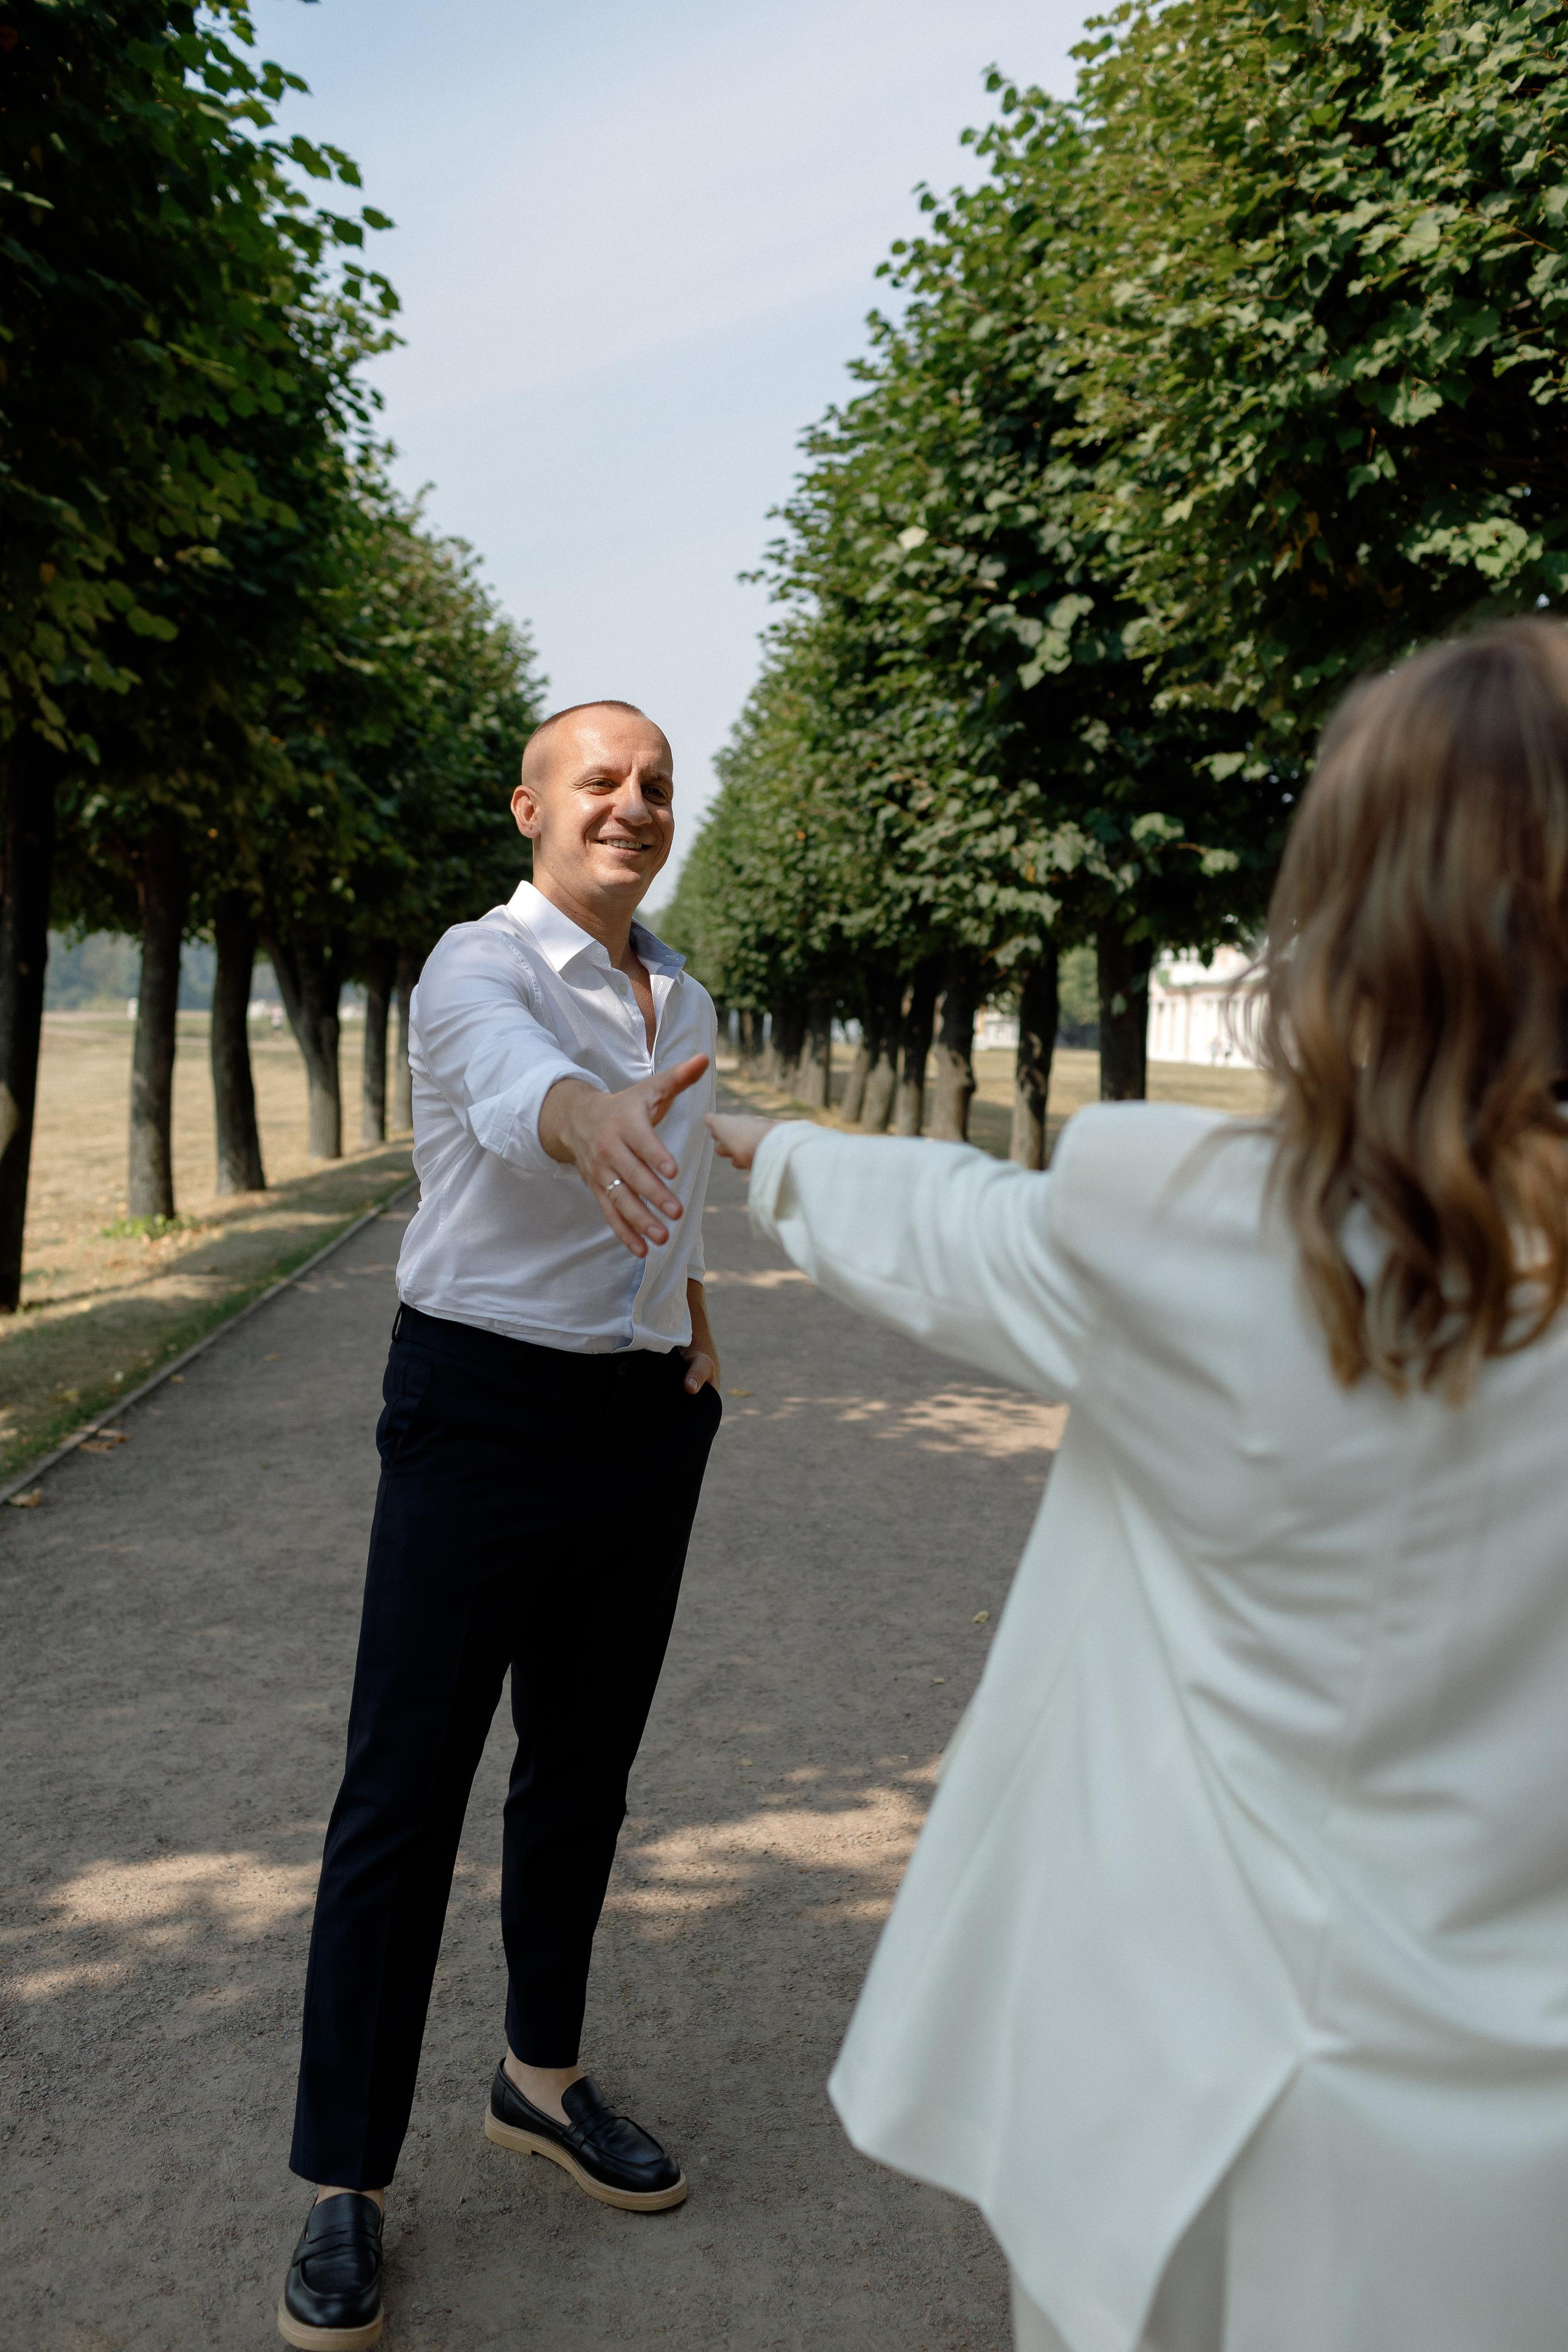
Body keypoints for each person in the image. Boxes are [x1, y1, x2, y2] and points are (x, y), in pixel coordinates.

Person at [708, 621, 1568, 2352]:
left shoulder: (1205, 1230)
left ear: (1355, 902)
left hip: (1216, 2114)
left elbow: (959, 1234)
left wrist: (767, 1145)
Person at [278, 700, 723, 2351]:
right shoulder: (479, 967)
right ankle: (345, 2180)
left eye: (656, 786)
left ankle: (541, 2077)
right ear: (532, 806)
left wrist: (694, 1311)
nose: (631, 803)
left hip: (641, 1422)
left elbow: (670, 1175)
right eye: (600, 781)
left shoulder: (684, 990)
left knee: (583, 1774)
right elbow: (516, 1094)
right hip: (478, 1417)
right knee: (402, 1795)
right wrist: (589, 1118)